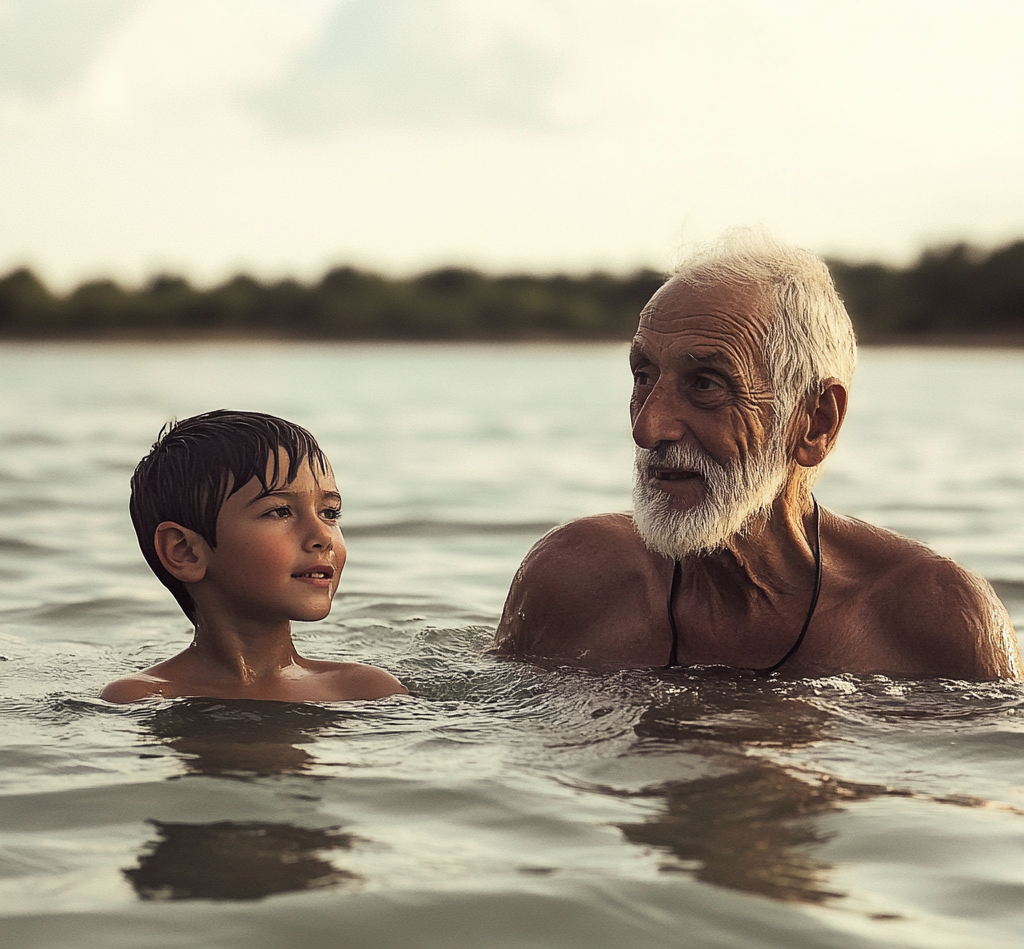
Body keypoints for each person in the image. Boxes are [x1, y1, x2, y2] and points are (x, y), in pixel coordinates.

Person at [492, 234, 1021, 679]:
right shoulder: (571, 578)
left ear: (815, 422)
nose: (647, 428)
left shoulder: (935, 621)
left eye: (705, 384)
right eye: (643, 376)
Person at [101, 410, 408, 703]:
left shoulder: (366, 689)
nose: (323, 536)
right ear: (185, 551)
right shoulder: (142, 698)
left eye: (329, 512)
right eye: (280, 511)